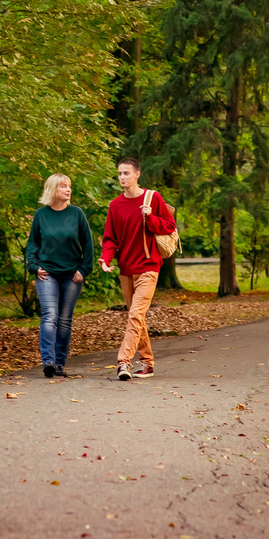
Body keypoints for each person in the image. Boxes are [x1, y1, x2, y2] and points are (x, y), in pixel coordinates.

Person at [100, 158, 176, 380]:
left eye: (126, 173)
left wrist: (150, 218)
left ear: (137, 174)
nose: (122, 177)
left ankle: (123, 362)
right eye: (119, 173)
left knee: (135, 314)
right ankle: (147, 364)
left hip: (148, 266)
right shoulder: (115, 205)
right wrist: (106, 259)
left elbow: (170, 226)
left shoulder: (153, 198)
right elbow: (110, 238)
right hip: (126, 269)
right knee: (137, 317)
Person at [26, 173, 94, 378]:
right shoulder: (41, 215)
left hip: (71, 275)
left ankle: (59, 363)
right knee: (49, 316)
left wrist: (84, 269)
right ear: (53, 189)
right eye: (63, 186)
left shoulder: (77, 214)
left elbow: (88, 244)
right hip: (47, 274)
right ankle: (48, 361)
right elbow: (33, 245)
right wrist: (34, 266)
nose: (68, 189)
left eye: (69, 186)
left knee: (64, 320)